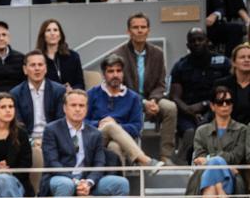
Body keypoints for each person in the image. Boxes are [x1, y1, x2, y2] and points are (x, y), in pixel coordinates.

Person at [41, 90, 132, 198]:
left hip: (88, 182)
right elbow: (53, 163)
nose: (78, 109)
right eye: (73, 105)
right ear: (65, 108)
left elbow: (99, 163)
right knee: (66, 185)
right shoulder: (51, 130)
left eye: (81, 105)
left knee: (121, 183)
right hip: (60, 178)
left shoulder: (95, 133)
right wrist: (75, 182)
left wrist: (89, 182)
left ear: (87, 108)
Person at [112, 12, 179, 162]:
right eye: (135, 27)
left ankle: (165, 156)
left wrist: (153, 101)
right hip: (128, 100)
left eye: (143, 27)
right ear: (128, 31)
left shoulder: (157, 53)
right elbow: (118, 85)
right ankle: (131, 158)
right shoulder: (119, 55)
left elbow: (161, 83)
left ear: (149, 30)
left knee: (170, 108)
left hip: (153, 99)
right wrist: (142, 102)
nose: (140, 30)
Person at [86, 53, 162, 169]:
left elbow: (137, 127)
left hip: (122, 142)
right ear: (104, 74)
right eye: (111, 71)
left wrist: (118, 126)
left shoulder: (133, 97)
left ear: (123, 73)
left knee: (114, 146)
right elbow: (82, 122)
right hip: (95, 139)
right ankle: (144, 160)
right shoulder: (92, 94)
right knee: (110, 126)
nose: (115, 75)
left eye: (118, 71)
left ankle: (120, 184)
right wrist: (100, 123)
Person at [170, 27, 233, 156]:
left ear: (207, 41)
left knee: (208, 127)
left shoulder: (222, 62)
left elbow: (230, 90)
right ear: (188, 45)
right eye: (193, 41)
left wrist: (205, 105)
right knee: (190, 131)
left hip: (217, 108)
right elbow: (175, 97)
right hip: (187, 111)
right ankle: (186, 159)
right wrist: (190, 111)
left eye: (200, 39)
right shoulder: (180, 66)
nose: (197, 43)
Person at [188, 85, 248, 198]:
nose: (225, 105)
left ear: (233, 105)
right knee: (215, 167)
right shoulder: (202, 131)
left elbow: (236, 157)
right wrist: (217, 162)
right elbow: (198, 157)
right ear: (212, 106)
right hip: (206, 175)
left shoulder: (242, 130)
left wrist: (209, 159)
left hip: (233, 178)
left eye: (229, 102)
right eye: (220, 102)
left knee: (214, 163)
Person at [11, 50, 67, 146]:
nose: (37, 68)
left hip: (53, 139)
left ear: (45, 69)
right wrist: (32, 142)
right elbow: (18, 124)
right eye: (33, 65)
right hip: (26, 141)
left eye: (40, 65)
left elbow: (60, 120)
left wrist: (47, 140)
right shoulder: (15, 93)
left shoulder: (59, 90)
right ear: (25, 69)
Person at [37, 19, 85, 90]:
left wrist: (71, 89)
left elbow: (80, 84)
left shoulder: (73, 56)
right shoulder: (37, 58)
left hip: (70, 97)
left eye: (55, 30)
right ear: (43, 35)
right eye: (48, 30)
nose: (52, 33)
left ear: (60, 35)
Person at [214, 42, 250, 125]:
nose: (247, 60)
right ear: (233, 62)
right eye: (242, 57)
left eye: (249, 57)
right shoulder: (221, 84)